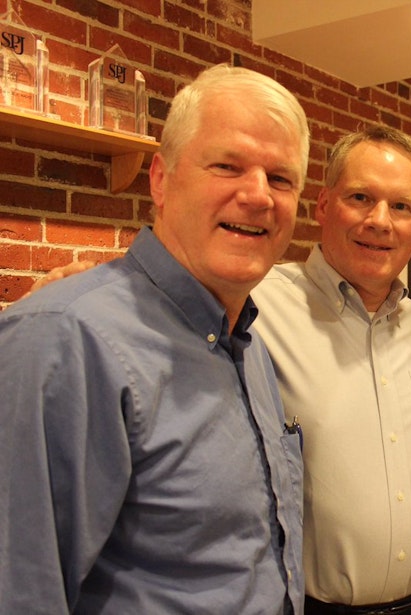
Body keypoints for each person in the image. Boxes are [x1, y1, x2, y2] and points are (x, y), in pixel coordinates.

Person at [0, 64, 309, 613]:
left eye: (281, 178)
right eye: (227, 165)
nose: (259, 195)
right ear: (161, 180)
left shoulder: (248, 345)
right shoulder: (66, 339)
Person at [250, 125, 411, 614]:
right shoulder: (256, 306)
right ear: (323, 205)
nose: (380, 221)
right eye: (361, 197)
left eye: (402, 206)